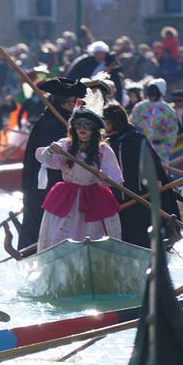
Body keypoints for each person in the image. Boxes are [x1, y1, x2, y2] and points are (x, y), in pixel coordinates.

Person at [35, 98, 123, 251]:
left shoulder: (103, 150)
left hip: (94, 198)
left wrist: (104, 178)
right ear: (73, 128)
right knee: (59, 234)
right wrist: (51, 149)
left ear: (95, 129)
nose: (83, 129)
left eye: (87, 125)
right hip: (67, 197)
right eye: (79, 125)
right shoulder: (66, 145)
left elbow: (116, 179)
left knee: (97, 236)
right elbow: (46, 158)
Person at [103, 103, 183, 247]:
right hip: (115, 202)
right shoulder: (106, 144)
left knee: (140, 242)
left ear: (116, 122)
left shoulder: (136, 140)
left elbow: (155, 169)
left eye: (107, 123)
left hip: (138, 199)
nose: (104, 127)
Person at [17, 78, 81, 250]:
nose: (74, 106)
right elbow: (51, 161)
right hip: (47, 184)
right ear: (64, 104)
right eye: (72, 103)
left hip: (48, 184)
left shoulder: (61, 122)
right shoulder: (52, 125)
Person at [129, 79, 178, 164]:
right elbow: (131, 125)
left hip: (160, 152)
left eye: (155, 93)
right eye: (150, 93)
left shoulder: (169, 111)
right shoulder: (139, 108)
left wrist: (162, 153)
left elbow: (172, 133)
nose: (152, 96)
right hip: (140, 149)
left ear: (161, 92)